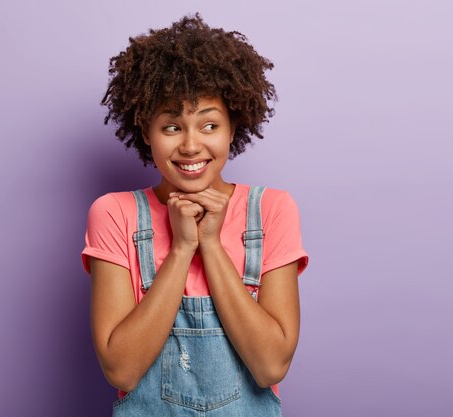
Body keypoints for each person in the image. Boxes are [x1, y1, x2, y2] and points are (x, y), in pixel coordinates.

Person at [81, 13, 309, 416]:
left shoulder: (271, 210)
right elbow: (122, 370)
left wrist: (211, 245)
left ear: (232, 128)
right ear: (145, 129)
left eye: (209, 125)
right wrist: (183, 247)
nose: (190, 145)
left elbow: (270, 365)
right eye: (171, 126)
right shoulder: (115, 213)